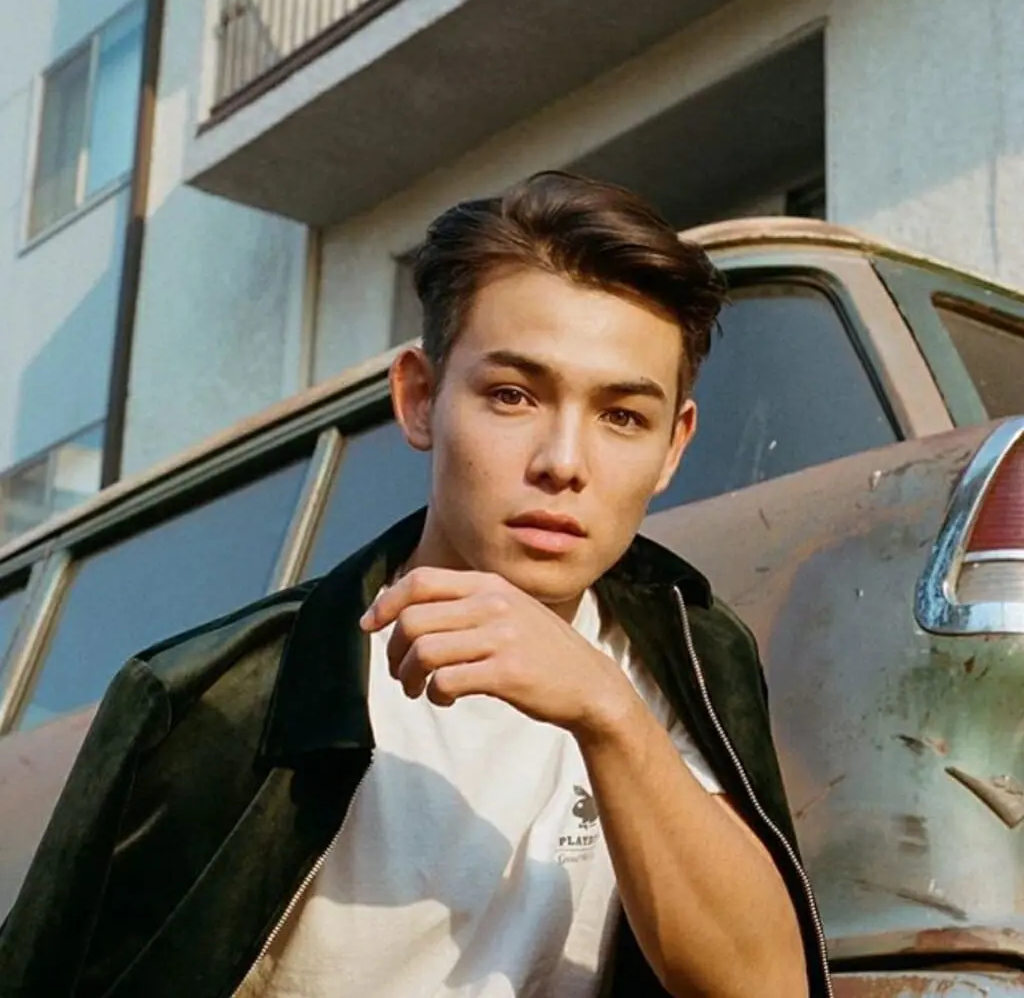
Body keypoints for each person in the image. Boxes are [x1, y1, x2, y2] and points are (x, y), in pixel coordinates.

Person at [0, 172, 828, 997]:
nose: (564, 463)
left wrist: (607, 713)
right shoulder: (217, 700)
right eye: (513, 395)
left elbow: (767, 987)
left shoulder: (690, 661)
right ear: (421, 399)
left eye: (622, 417)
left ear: (673, 447)